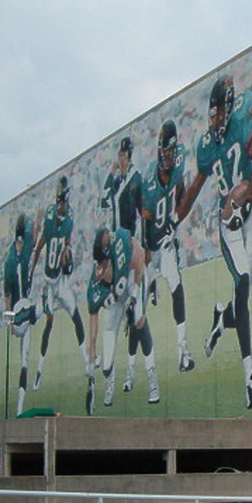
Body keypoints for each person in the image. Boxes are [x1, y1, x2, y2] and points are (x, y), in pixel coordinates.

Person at [177, 76, 252, 410]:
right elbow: (195, 187)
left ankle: (221, 318)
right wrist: (175, 219)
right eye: (212, 113)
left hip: (245, 215)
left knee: (242, 299)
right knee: (243, 285)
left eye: (219, 113)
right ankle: (250, 378)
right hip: (228, 223)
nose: (214, 119)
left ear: (229, 109)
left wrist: (246, 203)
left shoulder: (241, 120)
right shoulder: (206, 145)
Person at [140, 119, 195, 374]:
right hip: (150, 247)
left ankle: (183, 351)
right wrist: (149, 269)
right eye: (165, 151)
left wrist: (175, 218)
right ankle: (140, 367)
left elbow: (181, 188)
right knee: (139, 307)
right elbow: (145, 226)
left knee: (177, 287)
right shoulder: (149, 181)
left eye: (171, 151)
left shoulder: (179, 161)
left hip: (166, 241)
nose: (169, 156)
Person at [86, 226, 159, 413]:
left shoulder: (121, 245)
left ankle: (152, 379)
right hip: (114, 296)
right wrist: (91, 365)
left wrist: (135, 292)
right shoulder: (95, 289)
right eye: (99, 267)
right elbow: (92, 333)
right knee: (108, 337)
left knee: (138, 319)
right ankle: (109, 383)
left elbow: (140, 254)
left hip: (131, 278)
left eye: (104, 265)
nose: (101, 270)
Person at [28, 175, 87, 390]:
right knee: (49, 322)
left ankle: (87, 362)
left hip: (60, 280)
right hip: (48, 281)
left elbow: (67, 246)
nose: (60, 204)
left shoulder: (68, 221)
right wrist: (30, 275)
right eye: (59, 200)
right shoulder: (50, 219)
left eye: (62, 200)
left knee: (76, 315)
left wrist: (67, 255)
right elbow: (39, 248)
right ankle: (39, 370)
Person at [100, 137, 148, 393]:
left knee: (136, 314)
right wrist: (111, 175)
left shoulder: (135, 179)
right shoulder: (119, 180)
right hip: (116, 256)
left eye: (123, 154)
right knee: (113, 319)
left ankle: (136, 372)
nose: (120, 158)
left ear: (128, 155)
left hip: (130, 251)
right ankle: (110, 376)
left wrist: (141, 251)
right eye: (119, 154)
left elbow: (142, 214)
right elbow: (103, 202)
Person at [2, 212, 38, 416]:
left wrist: (39, 219)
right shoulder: (11, 262)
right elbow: (7, 295)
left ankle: (19, 407)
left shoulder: (22, 254)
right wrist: (10, 322)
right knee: (36, 307)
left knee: (25, 360)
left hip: (24, 310)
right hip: (19, 311)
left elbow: (34, 240)